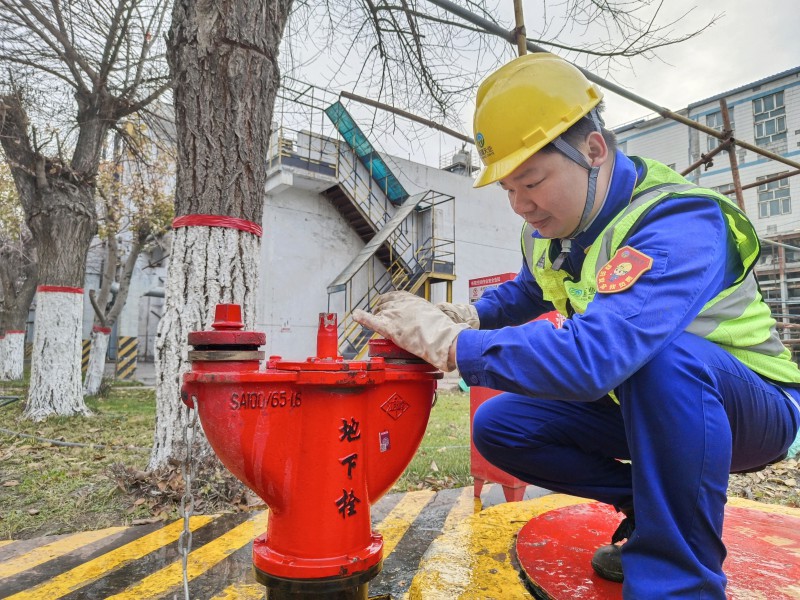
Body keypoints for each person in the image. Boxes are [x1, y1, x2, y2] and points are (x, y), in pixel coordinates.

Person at [353, 52, 800, 598]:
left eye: (532, 181)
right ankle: (647, 504)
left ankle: (680, 585)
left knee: (661, 358)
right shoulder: (549, 232)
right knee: (501, 425)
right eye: (508, 189)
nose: (521, 204)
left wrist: (454, 344)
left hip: (751, 408)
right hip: (642, 399)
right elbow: (530, 291)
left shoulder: (681, 220)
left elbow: (594, 359)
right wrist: (470, 314)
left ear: (593, 150)